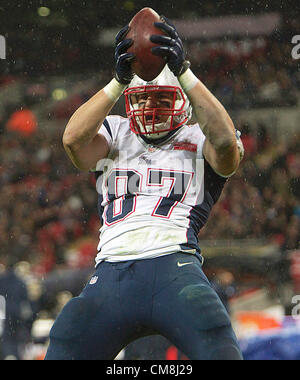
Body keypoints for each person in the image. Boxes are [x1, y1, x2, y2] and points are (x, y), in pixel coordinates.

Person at [45, 15, 244, 360]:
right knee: (66, 339)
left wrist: (185, 73)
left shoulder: (200, 136)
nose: (150, 107)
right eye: (141, 99)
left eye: (162, 100)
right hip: (111, 272)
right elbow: (73, 141)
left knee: (218, 346)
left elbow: (226, 144)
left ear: (183, 100)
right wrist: (117, 82)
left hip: (175, 267)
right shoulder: (115, 130)